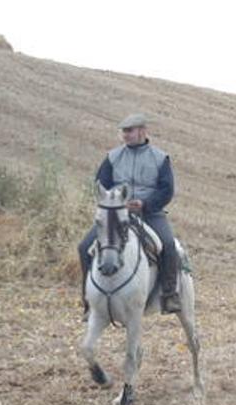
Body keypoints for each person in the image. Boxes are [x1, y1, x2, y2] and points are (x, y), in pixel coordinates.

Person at [78, 113, 182, 316]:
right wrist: (115, 203)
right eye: (123, 131)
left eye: (129, 131)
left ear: (143, 131)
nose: (125, 135)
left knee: (168, 245)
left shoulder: (160, 158)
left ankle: (169, 295)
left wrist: (145, 204)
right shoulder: (112, 157)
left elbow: (166, 190)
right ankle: (88, 300)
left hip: (150, 213)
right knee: (84, 247)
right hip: (116, 214)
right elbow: (101, 184)